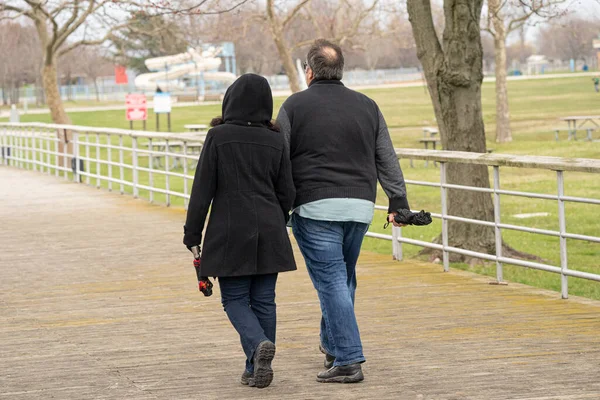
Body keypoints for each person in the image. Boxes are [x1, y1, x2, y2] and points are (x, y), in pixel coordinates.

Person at [276, 39, 410, 384]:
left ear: (309, 71)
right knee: (342, 278)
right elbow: (386, 157)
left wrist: (278, 206)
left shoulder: (294, 105)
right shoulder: (368, 105)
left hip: (315, 206)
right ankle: (333, 345)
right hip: (360, 208)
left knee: (333, 281)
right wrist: (398, 202)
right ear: (341, 70)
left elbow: (279, 159)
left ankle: (349, 359)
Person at [184, 73, 296, 389]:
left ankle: (258, 346)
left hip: (230, 228)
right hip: (270, 227)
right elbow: (287, 191)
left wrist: (192, 234)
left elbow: (202, 190)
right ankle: (255, 367)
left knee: (233, 298)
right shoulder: (276, 140)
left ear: (230, 101)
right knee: (264, 300)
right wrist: (277, 218)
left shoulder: (218, 137)